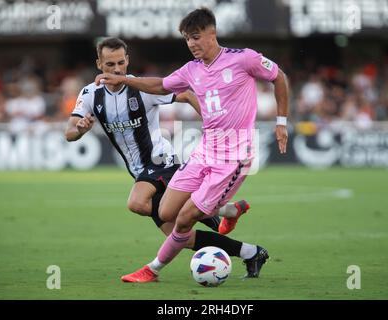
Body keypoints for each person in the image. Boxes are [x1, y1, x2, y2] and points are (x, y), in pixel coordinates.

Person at [95, 8, 289, 283]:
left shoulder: (243, 59)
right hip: (204, 150)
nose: (192, 44)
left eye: (196, 37)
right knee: (165, 211)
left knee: (184, 218)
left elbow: (279, 76)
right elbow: (161, 86)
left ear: (213, 33)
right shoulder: (191, 70)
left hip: (233, 155)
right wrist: (124, 79)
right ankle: (230, 210)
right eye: (187, 39)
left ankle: (152, 270)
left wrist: (281, 122)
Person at [65, 37, 252, 261]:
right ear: (99, 64)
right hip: (139, 171)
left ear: (127, 61)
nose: (117, 69)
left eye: (121, 63)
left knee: (136, 202)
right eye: (110, 65)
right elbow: (70, 132)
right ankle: (250, 251)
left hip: (161, 161)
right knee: (182, 237)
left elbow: (186, 94)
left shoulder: (142, 88)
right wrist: (80, 129)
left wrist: (214, 122)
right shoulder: (90, 94)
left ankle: (216, 209)